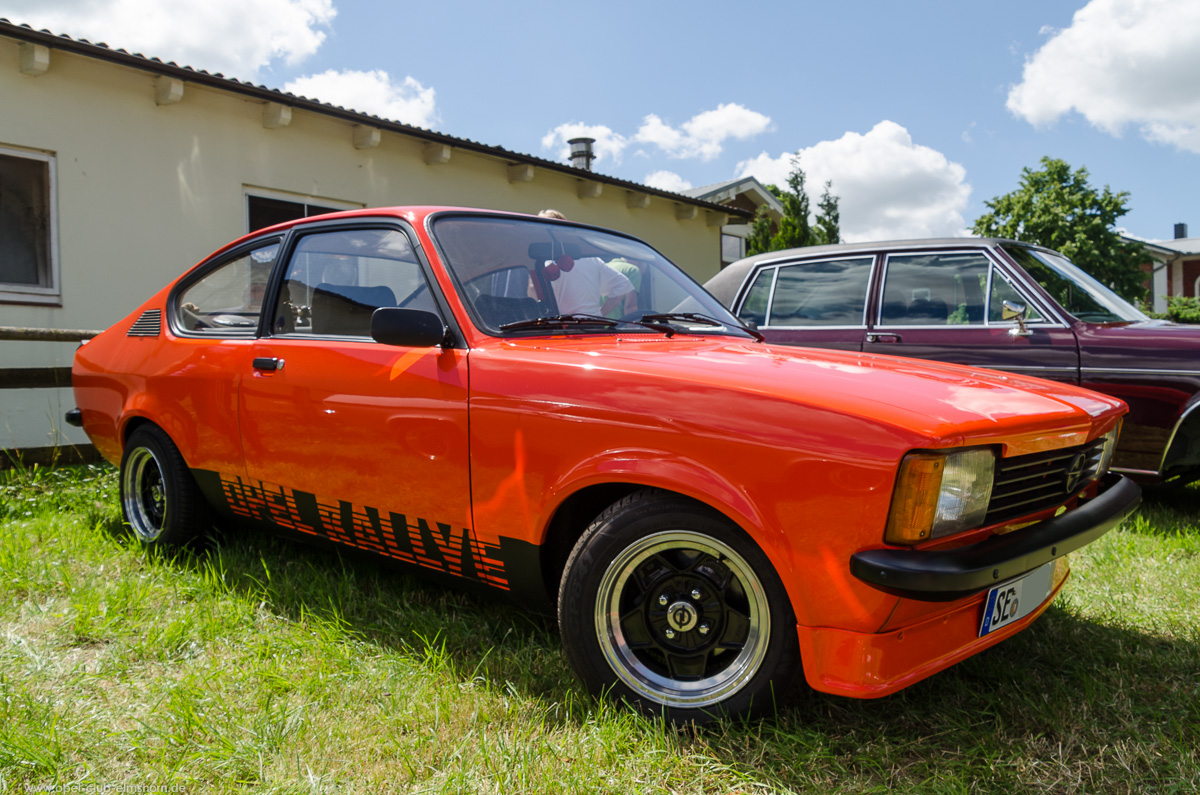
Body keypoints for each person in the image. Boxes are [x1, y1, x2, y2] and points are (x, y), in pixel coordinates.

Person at [537, 210, 637, 316]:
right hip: (592, 325)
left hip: (562, 327)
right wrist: (598, 314)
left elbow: (534, 292)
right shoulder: (590, 258)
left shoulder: (543, 262)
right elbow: (622, 284)